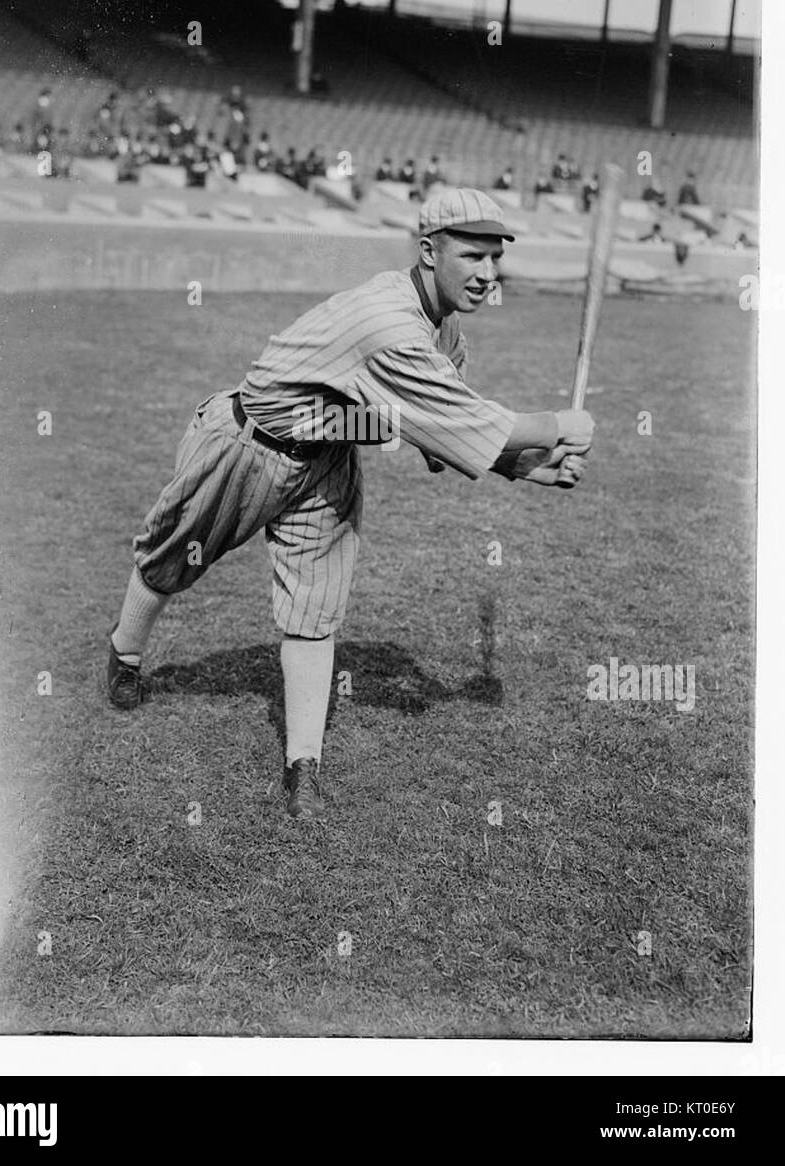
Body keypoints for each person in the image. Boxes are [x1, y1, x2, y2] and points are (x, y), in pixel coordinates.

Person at [106, 187, 595, 818]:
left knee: (315, 610)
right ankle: (124, 653)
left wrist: (531, 469)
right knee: (169, 561)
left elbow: (443, 439)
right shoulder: (388, 325)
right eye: (472, 256)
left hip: (329, 460)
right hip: (248, 442)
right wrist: (559, 424)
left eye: (494, 259)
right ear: (427, 251)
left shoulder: (443, 335)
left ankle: (302, 766)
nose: (487, 274)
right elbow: (483, 425)